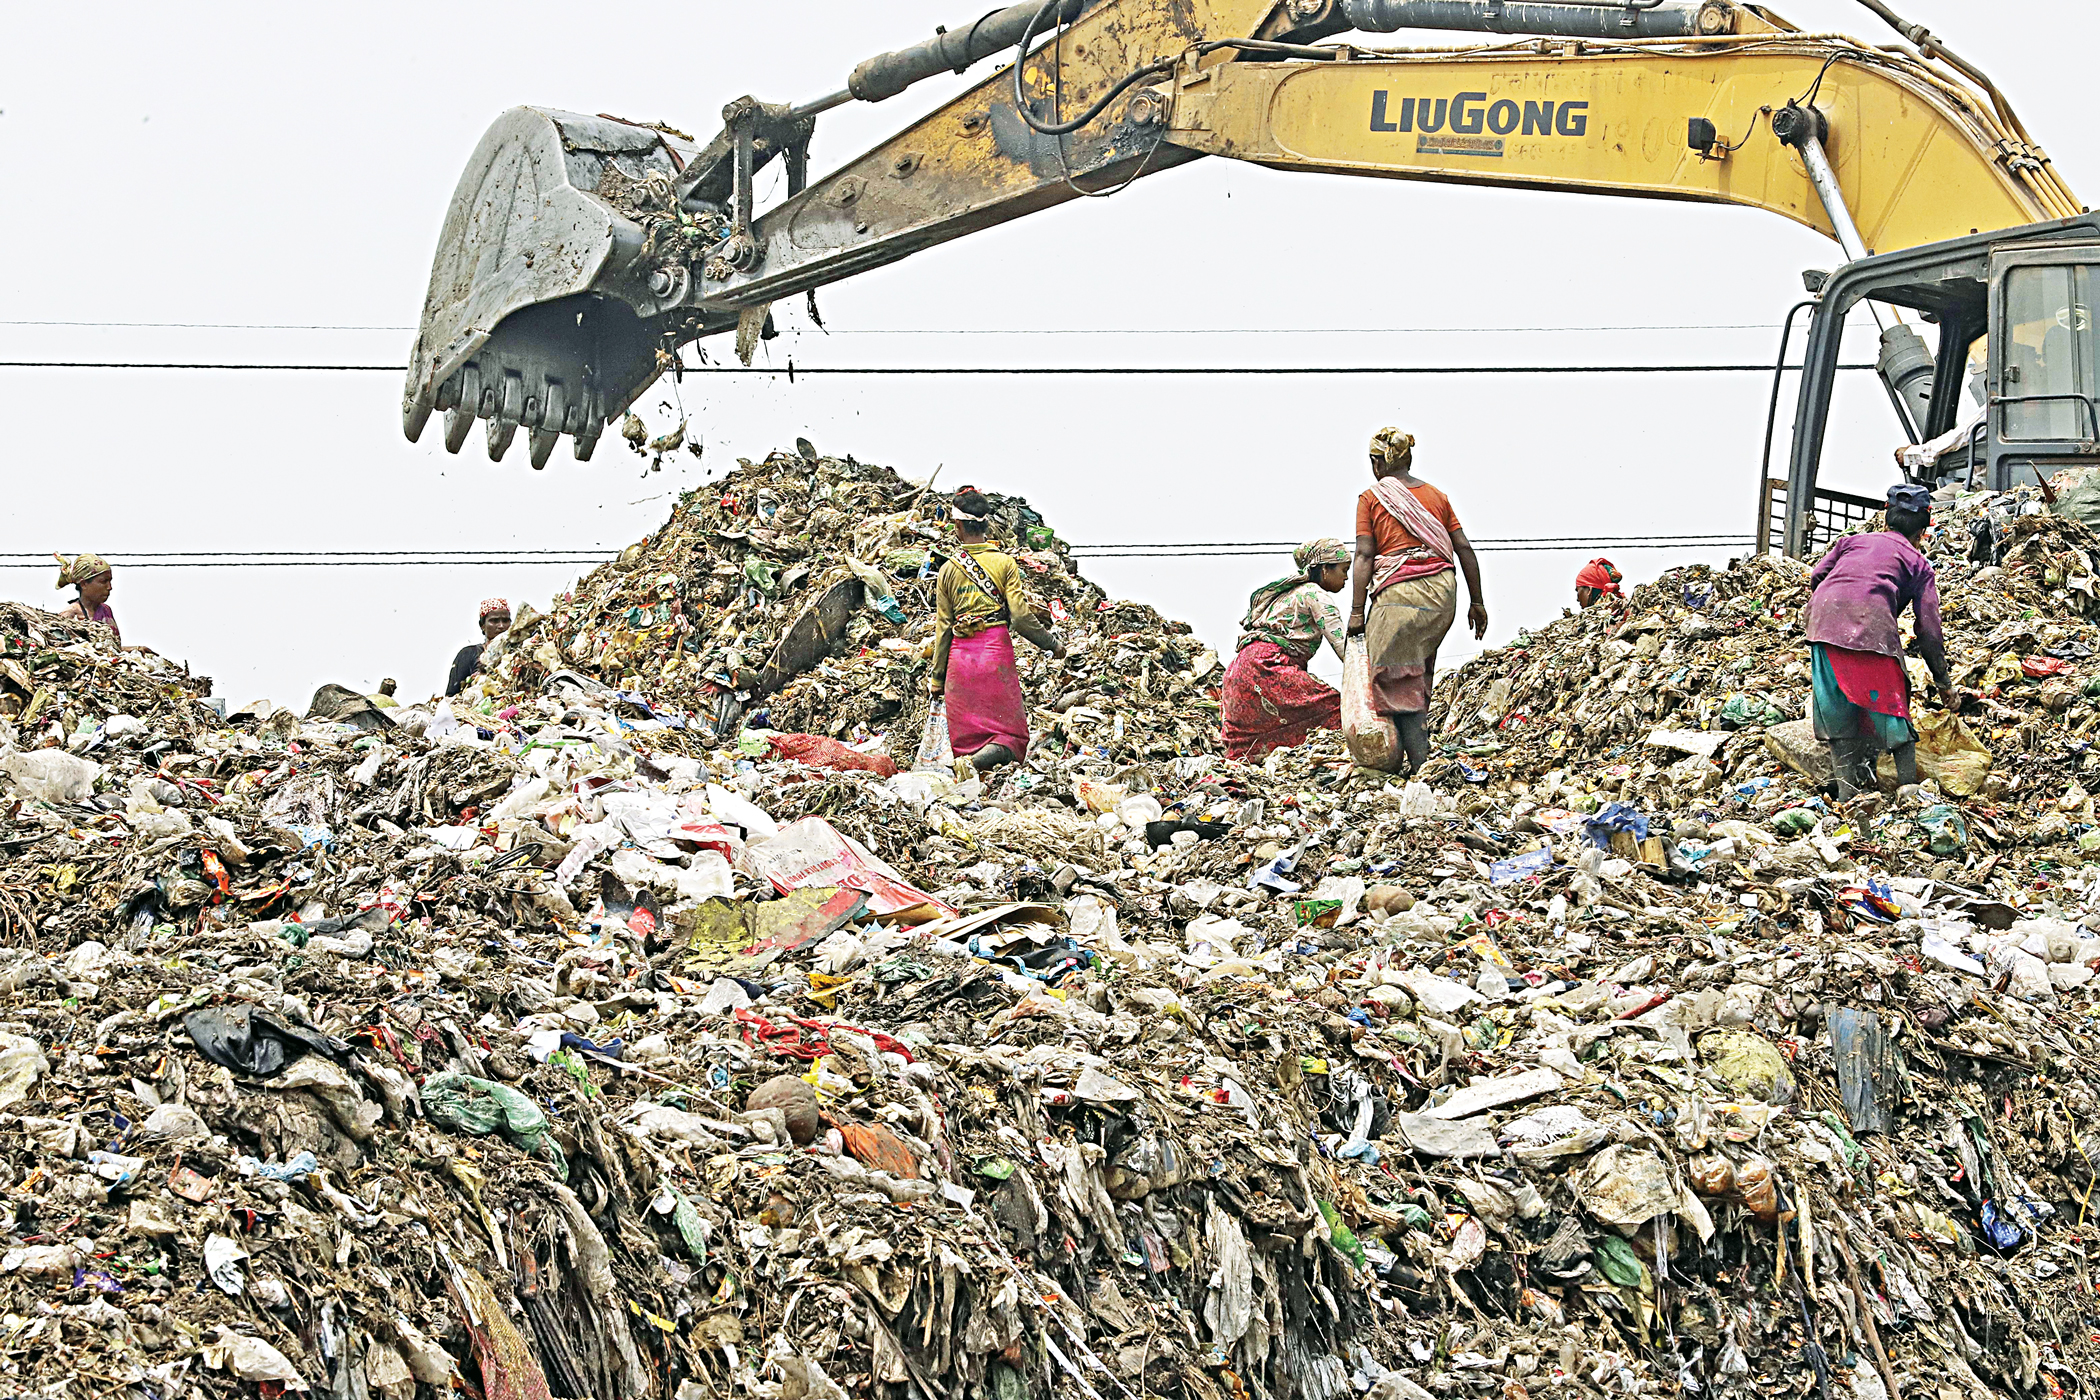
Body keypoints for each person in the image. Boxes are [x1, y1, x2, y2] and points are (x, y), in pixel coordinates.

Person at [1346, 428, 1487, 773]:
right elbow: (1463, 548)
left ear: (1377, 462)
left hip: (1401, 593)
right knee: (1416, 669)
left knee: (1393, 676)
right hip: (1442, 594)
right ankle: (1418, 758)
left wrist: (1356, 611)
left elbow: (1364, 555)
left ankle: (1417, 764)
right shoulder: (1437, 496)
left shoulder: (1371, 498)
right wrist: (1477, 602)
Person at [1806, 482, 1956, 800]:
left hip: (1821, 622)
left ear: (1885, 517)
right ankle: (1909, 796)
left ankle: (1848, 800)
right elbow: (1928, 629)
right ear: (1924, 528)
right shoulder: (1919, 564)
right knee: (1893, 713)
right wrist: (1944, 682)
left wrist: (1840, 598)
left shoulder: (1850, 542)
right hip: (1869, 627)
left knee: (1838, 717)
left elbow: (1817, 576)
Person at [930, 489, 1065, 769]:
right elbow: (1020, 617)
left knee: (965, 738)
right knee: (1009, 735)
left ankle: (967, 764)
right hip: (995, 654)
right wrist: (1052, 644)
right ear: (985, 524)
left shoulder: (948, 570)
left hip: (961, 660)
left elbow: (943, 628)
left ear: (958, 526)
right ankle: (988, 757)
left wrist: (937, 679)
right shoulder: (1004, 563)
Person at [1221, 539, 1351, 759]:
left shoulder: (1286, 595)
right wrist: (1373, 681)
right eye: (1343, 570)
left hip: (1238, 672)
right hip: (1267, 667)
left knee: (1247, 745)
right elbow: (1345, 650)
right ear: (1324, 569)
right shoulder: (1315, 595)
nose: (1347, 577)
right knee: (1339, 710)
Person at [447, 598, 511, 697]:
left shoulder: (517, 655)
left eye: (505, 621)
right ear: (482, 625)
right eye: (494, 621)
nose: (501, 626)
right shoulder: (469, 653)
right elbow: (451, 695)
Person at [54, 553, 120, 644]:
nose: (109, 587)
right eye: (103, 581)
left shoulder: (106, 610)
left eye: (110, 581)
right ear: (84, 584)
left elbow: (110, 649)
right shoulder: (69, 614)